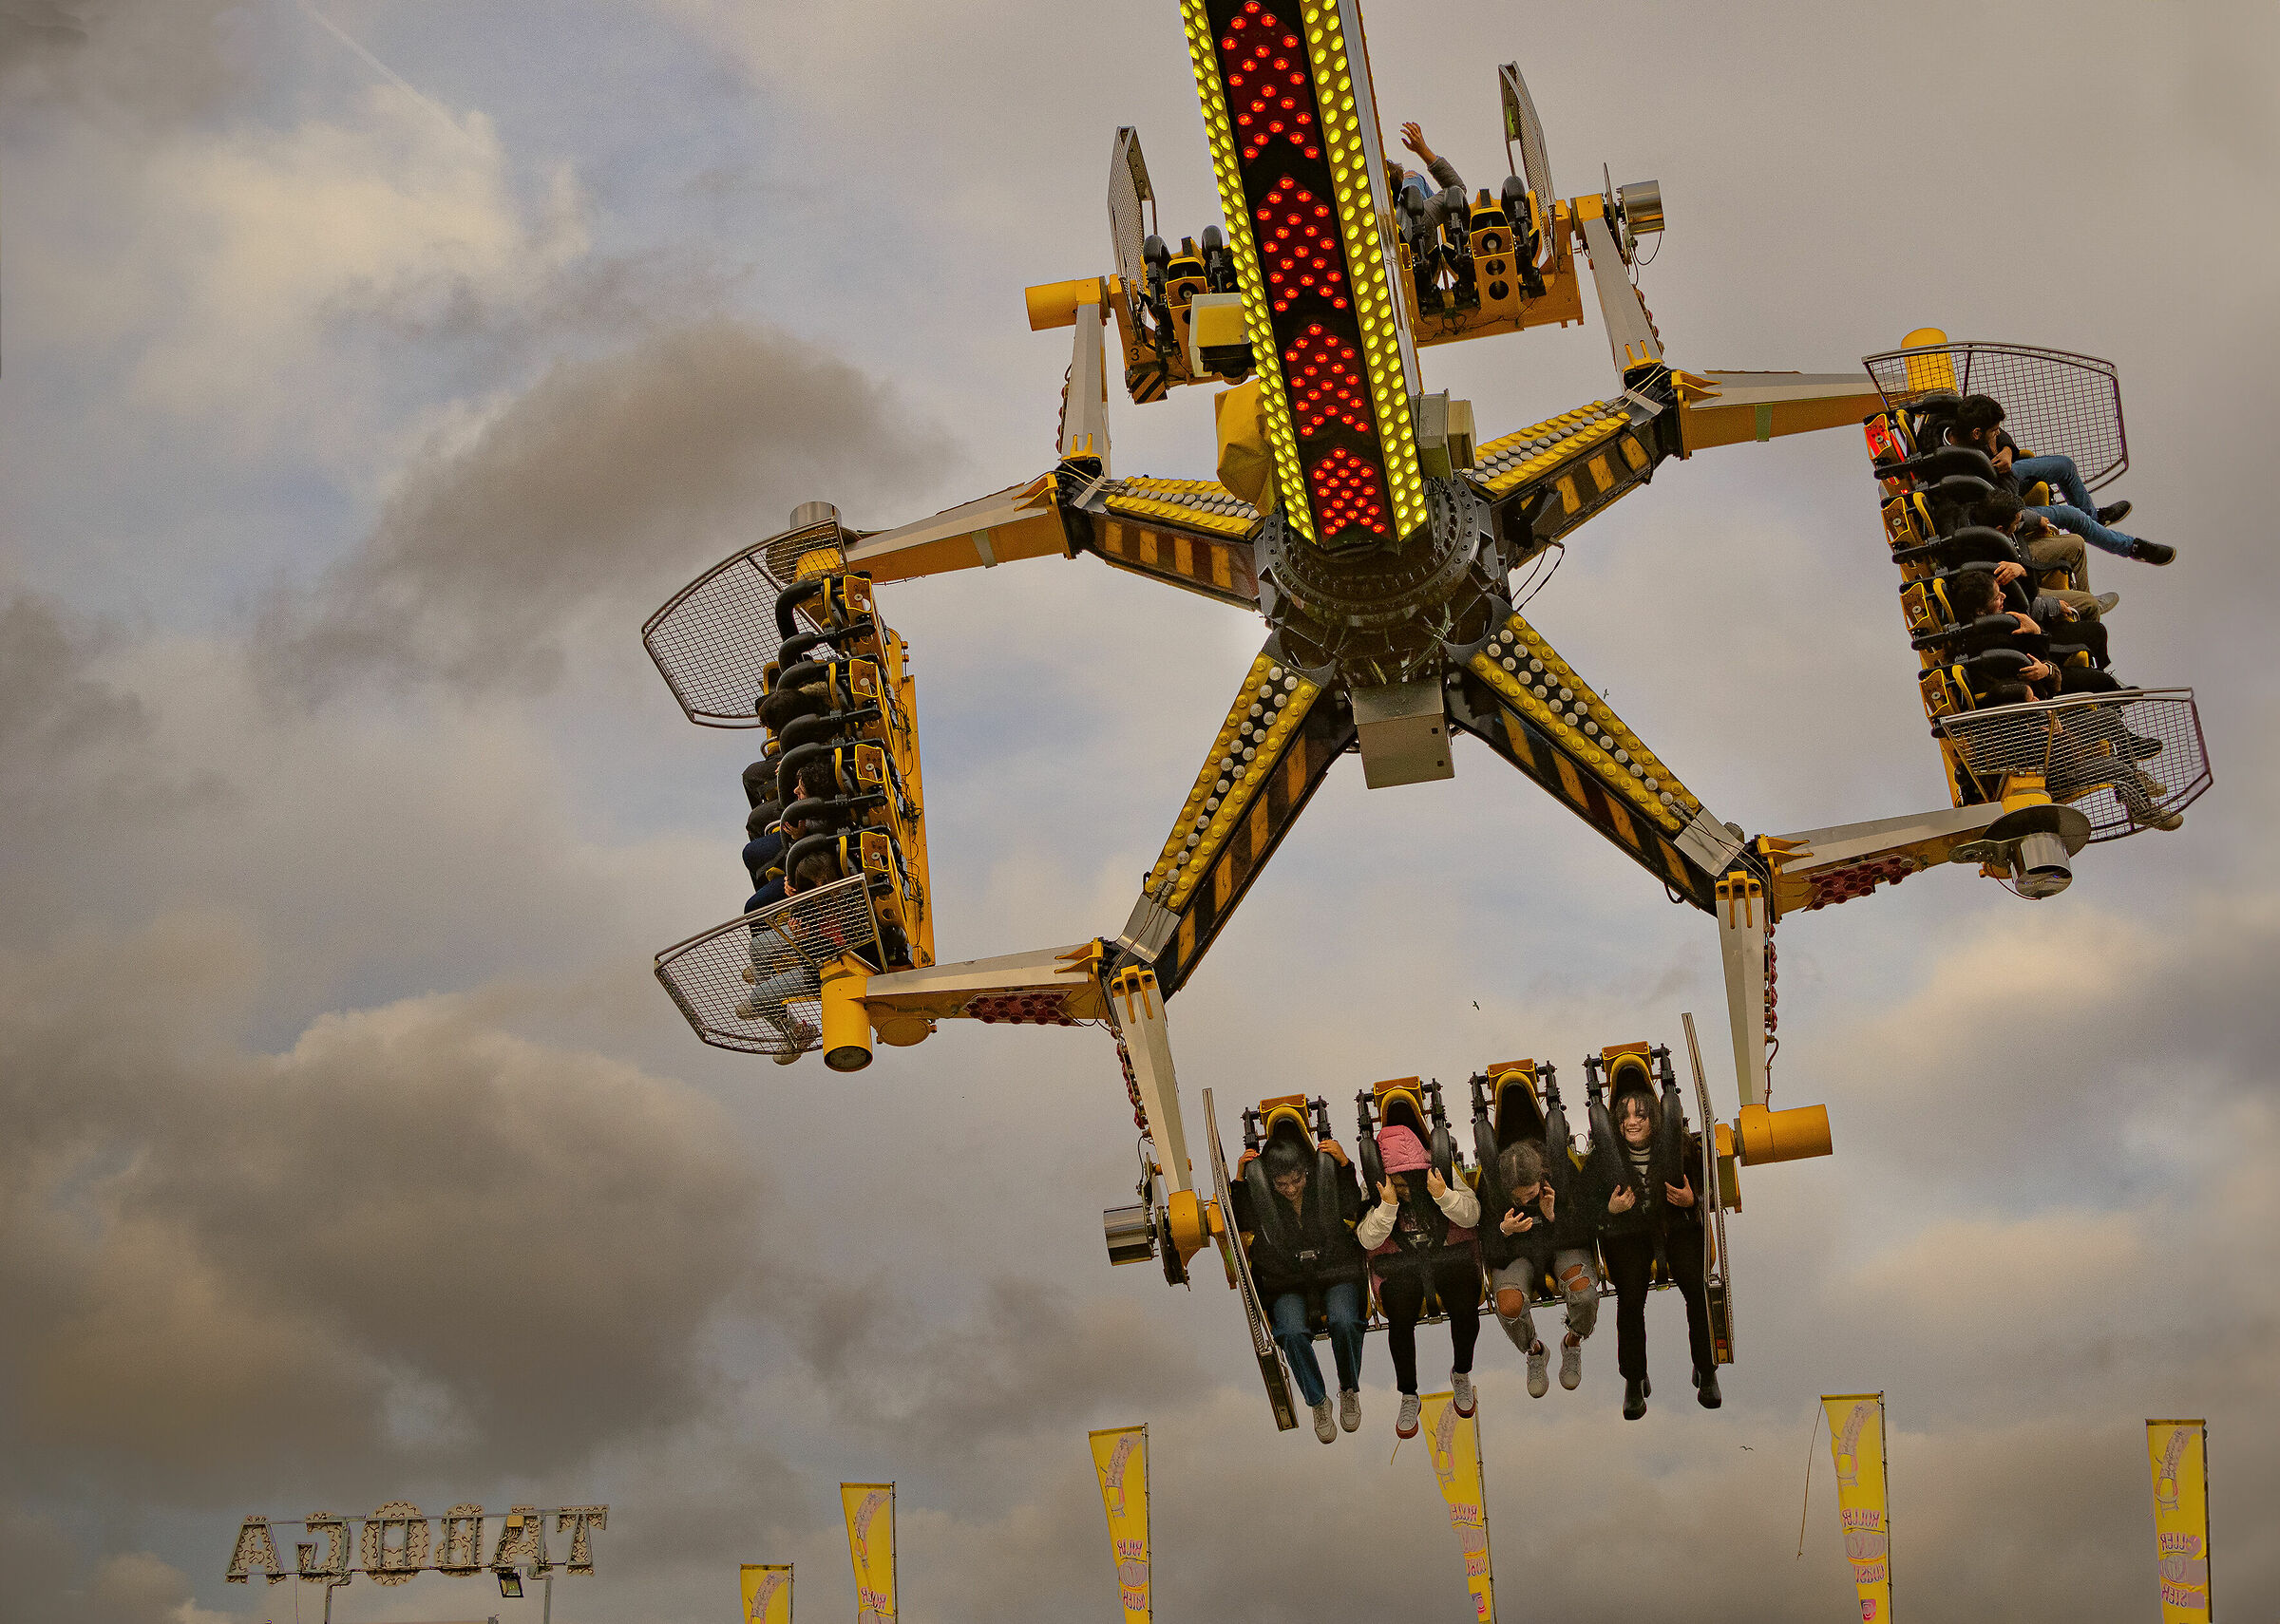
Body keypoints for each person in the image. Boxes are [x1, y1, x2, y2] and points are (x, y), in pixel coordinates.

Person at [1233, 1135, 1369, 1444]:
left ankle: (1348, 1388)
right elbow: (1242, 1220)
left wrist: (1345, 1164)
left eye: (1296, 1180)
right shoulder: (1263, 1200)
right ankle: (1318, 1401)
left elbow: (1353, 1204)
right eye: (1282, 1185)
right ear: (1271, 1182)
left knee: (1344, 1321)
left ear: (1307, 1172)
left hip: (1333, 1271)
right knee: (1291, 1332)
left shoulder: (1324, 1187)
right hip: (1286, 1280)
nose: (1292, 1189)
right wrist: (1242, 1178)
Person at [1599, 1073, 1718, 1420]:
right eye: (1625, 1117)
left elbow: (1710, 1190)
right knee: (1631, 1296)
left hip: (1676, 1227)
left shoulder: (1681, 1146)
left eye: (1640, 1115)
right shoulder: (1606, 1157)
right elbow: (1586, 1204)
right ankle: (1634, 1379)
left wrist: (1692, 1199)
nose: (1632, 1123)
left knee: (1696, 1287)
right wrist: (1610, 1209)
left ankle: (1706, 1369)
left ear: (1654, 1117)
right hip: (1631, 1233)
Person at [1356, 1123, 1481, 1438]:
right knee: (1399, 1317)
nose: (1404, 1190)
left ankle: (1461, 1372)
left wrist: (1443, 1195)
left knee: (1465, 1303)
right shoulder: (1374, 1188)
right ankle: (1409, 1393)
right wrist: (1386, 1205)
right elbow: (1367, 1240)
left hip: (1448, 1258)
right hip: (1400, 1268)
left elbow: (1472, 1216)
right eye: (1396, 1183)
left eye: (1407, 1183)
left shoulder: (1442, 1174)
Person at [1945, 394, 2173, 567]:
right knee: (2073, 517)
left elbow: (1999, 435)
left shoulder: (1955, 425)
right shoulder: (1961, 470)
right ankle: (2131, 547)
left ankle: (2094, 518)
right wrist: (2003, 465)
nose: (1997, 433)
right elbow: (1998, 501)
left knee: (2063, 466)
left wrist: (2005, 449)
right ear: (1976, 434)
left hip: (2003, 475)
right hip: (1997, 504)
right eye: (1993, 431)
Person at [1483, 1139, 1603, 1399]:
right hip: (1515, 1253)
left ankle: (1572, 1341)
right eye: (1516, 1197)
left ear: (1540, 1177)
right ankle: (1535, 1350)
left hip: (1562, 1243)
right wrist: (1504, 1230)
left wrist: (1552, 1216)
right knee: (1509, 1307)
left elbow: (1586, 1228)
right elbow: (1484, 1246)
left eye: (1529, 1194)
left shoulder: (1562, 1173)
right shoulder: (1491, 1186)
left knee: (1585, 1295)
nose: (1524, 1201)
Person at [1970, 489, 2117, 615]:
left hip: (2021, 555)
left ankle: (2084, 594)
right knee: (2089, 604)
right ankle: (2088, 607)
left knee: (2076, 543)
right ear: (2000, 530)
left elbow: (2019, 516)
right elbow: (2019, 599)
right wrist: (2023, 572)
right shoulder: (1984, 561)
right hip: (2022, 588)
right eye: (2015, 524)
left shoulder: (1984, 511)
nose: (2018, 525)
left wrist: (2037, 519)